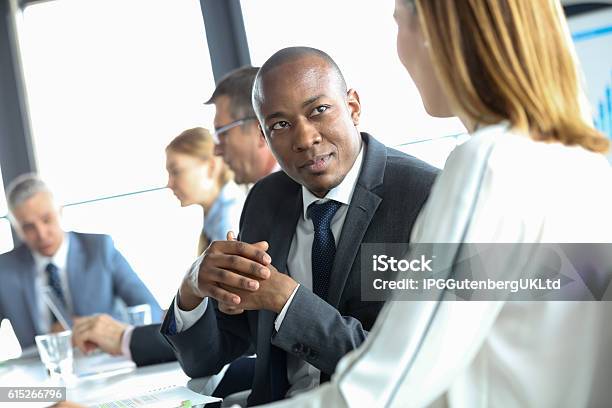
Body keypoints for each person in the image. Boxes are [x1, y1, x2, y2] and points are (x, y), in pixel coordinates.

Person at [252, 0, 612, 407]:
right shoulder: (585, 165)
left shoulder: (487, 166)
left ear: (438, 36)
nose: (399, 51)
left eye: (398, 25)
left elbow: (383, 390)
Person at [161, 47, 438, 406]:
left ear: (353, 107)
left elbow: (411, 365)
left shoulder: (424, 196)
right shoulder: (266, 200)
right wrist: (192, 287)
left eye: (318, 111)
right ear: (265, 135)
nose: (305, 139)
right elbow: (204, 360)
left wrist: (287, 302)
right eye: (280, 125)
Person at [0, 174, 162, 348]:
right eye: (28, 227)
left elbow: (150, 308)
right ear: (16, 228)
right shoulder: (5, 270)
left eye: (47, 219)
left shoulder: (100, 249)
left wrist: (103, 330)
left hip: (105, 356)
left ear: (60, 211)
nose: (41, 234)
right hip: (40, 367)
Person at [207, 66, 278, 185]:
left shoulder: (304, 193)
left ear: (261, 131)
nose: (216, 151)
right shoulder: (263, 196)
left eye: (223, 133)